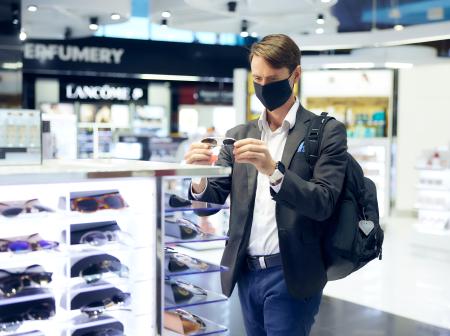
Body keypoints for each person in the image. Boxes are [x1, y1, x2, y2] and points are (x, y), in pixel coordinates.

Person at [184, 34, 348, 336]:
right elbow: (207, 207)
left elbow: (323, 201)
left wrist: (273, 171)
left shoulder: (326, 132)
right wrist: (198, 175)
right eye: (257, 78)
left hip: (291, 273)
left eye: (272, 79)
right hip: (246, 273)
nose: (263, 86)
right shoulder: (239, 133)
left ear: (295, 75)